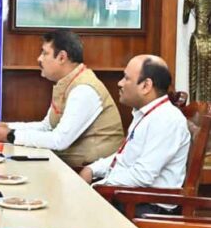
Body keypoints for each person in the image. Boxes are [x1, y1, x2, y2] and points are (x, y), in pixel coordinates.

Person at [0, 30, 123, 168]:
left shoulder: (84, 89)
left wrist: (10, 135)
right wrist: (6, 127)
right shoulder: (67, 82)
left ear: (62, 57)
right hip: (70, 166)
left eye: (44, 53)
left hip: (88, 172)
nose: (39, 59)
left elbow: (59, 140)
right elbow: (47, 127)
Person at [80, 55, 190, 216]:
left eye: (126, 78)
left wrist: (99, 186)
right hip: (127, 196)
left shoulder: (166, 119)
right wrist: (92, 169)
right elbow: (124, 158)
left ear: (146, 86)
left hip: (146, 205)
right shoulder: (147, 114)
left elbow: (142, 176)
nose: (120, 83)